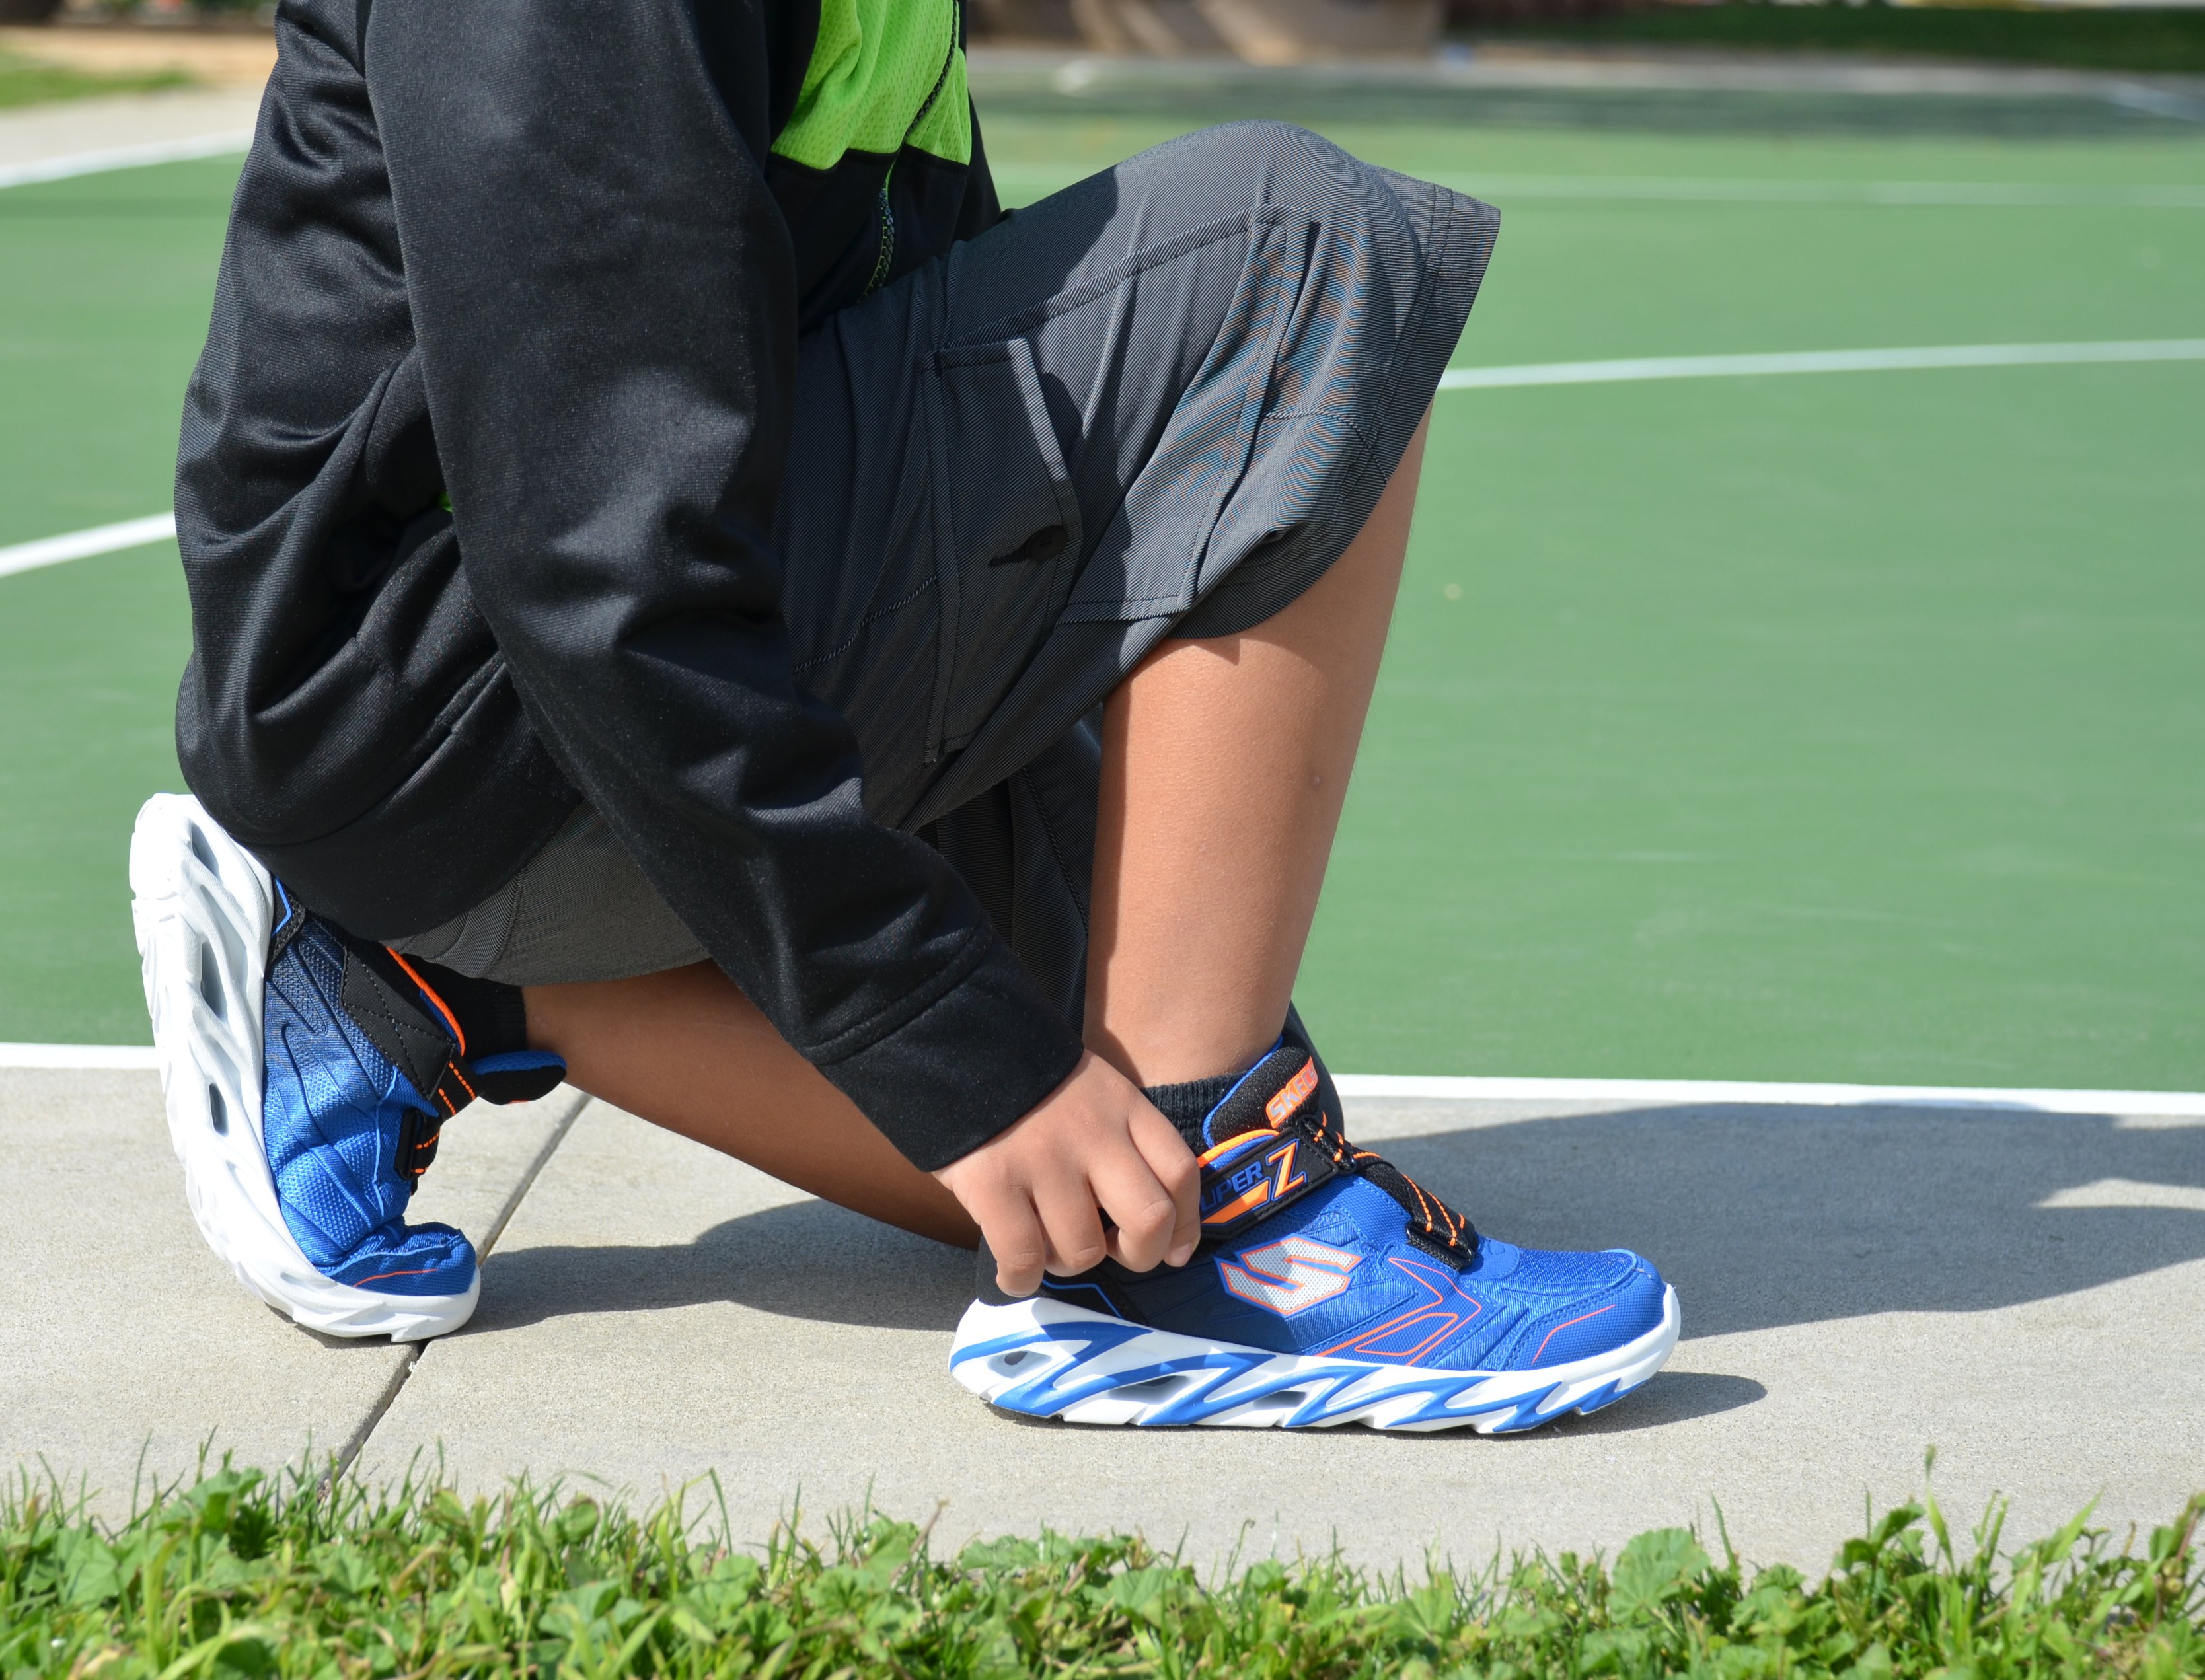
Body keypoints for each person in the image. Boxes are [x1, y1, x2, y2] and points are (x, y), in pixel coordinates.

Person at [130, 0, 1678, 1432]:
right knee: (1307, 253)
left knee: (1122, 1174)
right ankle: (1232, 1246)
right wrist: (941, 1031)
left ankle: (413, 985)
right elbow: (597, 558)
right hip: (460, 691)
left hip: (571, 675)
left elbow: (915, 317)